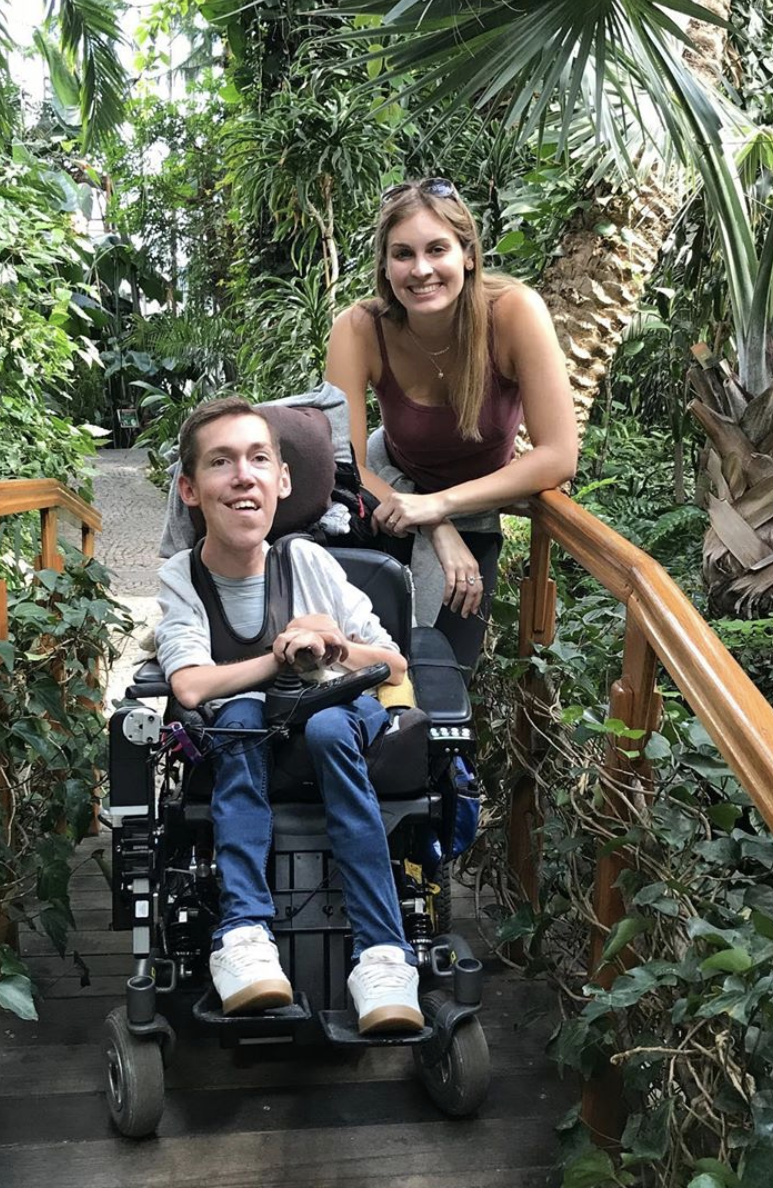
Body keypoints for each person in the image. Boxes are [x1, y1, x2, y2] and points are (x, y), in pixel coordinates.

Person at [154, 396, 423, 1034]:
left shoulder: (306, 561)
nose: (242, 475)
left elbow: (392, 662)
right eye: (222, 463)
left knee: (331, 727)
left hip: (333, 717)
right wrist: (280, 656)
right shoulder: (181, 577)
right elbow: (191, 687)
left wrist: (331, 643)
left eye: (258, 459)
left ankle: (382, 953)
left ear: (283, 481)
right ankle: (244, 933)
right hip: (246, 733)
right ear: (190, 490)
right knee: (240, 712)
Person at [325, 178, 578, 669]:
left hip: (473, 503)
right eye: (402, 254)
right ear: (385, 265)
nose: (421, 270)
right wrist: (433, 523)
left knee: (444, 670)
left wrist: (440, 506)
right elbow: (344, 462)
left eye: (437, 249)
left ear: (467, 254)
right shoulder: (359, 327)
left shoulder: (512, 312)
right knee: (358, 659)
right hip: (381, 491)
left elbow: (559, 455)